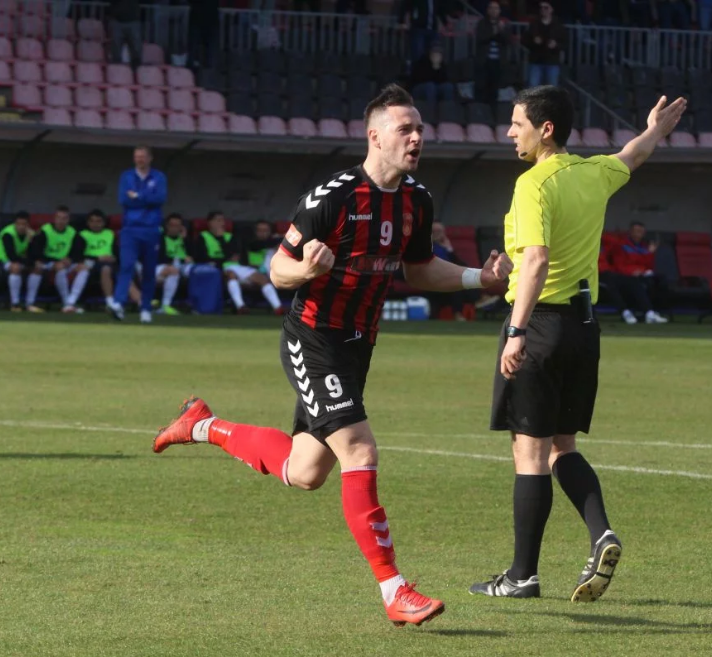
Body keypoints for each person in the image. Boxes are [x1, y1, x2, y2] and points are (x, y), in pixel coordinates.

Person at [152, 84, 512, 627]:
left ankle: (201, 425)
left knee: (304, 472)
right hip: (314, 338)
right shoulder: (333, 198)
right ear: (375, 137)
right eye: (405, 129)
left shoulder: (417, 199)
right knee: (360, 450)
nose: (417, 138)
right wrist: (305, 269)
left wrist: (476, 278)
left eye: (419, 129)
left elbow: (418, 269)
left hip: (359, 345)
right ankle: (394, 589)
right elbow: (278, 270)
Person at [470, 87, 685, 601]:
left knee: (528, 451)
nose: (509, 132)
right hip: (582, 329)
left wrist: (516, 331)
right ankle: (601, 532)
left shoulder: (532, 184)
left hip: (539, 326)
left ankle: (522, 576)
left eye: (517, 123)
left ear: (545, 129)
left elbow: (538, 260)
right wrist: (654, 131)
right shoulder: (593, 172)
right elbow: (632, 155)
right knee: (561, 446)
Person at [107, 145, 168, 324]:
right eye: (136, 157)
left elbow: (160, 199)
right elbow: (124, 200)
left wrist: (138, 196)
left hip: (151, 229)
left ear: (150, 158)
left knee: (149, 271)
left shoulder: (158, 177)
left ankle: (146, 308)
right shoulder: (126, 176)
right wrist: (145, 198)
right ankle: (119, 303)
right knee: (126, 266)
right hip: (130, 229)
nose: (139, 160)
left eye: (142, 157)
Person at [26, 206, 85, 313]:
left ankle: (71, 302)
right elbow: (36, 250)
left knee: (84, 268)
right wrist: (52, 261)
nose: (61, 221)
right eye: (59, 218)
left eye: (64, 218)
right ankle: (29, 303)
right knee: (47, 268)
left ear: (68, 220)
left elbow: (79, 250)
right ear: (54, 218)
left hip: (64, 262)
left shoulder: (72, 232)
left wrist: (70, 259)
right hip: (47, 261)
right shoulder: (45, 230)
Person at [609, 222, 669, 324]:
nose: (638, 234)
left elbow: (648, 265)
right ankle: (649, 312)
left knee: (661, 280)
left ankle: (654, 311)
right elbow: (619, 265)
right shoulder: (621, 245)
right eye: (636, 231)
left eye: (641, 232)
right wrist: (633, 272)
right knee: (635, 282)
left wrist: (650, 253)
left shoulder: (644, 247)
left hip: (642, 274)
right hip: (625, 276)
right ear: (630, 232)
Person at [222, 220, 285, 315]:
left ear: (270, 232)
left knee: (262, 278)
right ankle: (241, 307)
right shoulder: (250, 241)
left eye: (265, 230)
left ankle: (278, 308)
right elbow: (256, 246)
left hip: (255, 273)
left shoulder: (271, 247)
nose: (262, 233)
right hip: (239, 270)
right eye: (260, 230)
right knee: (231, 274)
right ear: (255, 232)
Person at [0, 211, 33, 312]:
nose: (21, 227)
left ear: (28, 225)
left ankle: (30, 303)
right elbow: (12, 256)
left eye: (24, 224)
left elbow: (33, 253)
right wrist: (29, 262)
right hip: (1, 261)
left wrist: (31, 241)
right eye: (19, 224)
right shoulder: (8, 233)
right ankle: (15, 303)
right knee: (15, 268)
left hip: (20, 260)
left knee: (37, 268)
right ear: (15, 224)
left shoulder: (31, 234)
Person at [155, 213, 194, 315]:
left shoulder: (184, 239)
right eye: (172, 225)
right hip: (163, 265)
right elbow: (160, 258)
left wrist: (185, 239)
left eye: (178, 226)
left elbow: (194, 255)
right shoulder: (160, 238)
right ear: (167, 226)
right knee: (173, 270)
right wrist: (180, 259)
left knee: (197, 272)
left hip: (183, 266)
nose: (175, 228)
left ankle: (195, 305)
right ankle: (165, 306)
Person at [524, 2, 566, 88]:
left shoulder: (559, 25)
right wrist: (533, 41)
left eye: (546, 7)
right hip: (536, 60)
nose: (543, 10)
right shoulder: (534, 24)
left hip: (552, 61)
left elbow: (565, 43)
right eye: (541, 7)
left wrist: (556, 45)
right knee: (532, 86)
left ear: (551, 9)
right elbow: (524, 40)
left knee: (551, 88)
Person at [476, 1, 509, 106]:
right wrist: (494, 33)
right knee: (482, 87)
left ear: (499, 11)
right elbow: (481, 39)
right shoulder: (482, 23)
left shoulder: (503, 24)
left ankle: (493, 110)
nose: (494, 10)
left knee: (495, 89)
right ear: (488, 10)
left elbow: (507, 41)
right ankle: (481, 110)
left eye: (496, 8)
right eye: (491, 8)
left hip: (498, 61)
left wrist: (501, 31)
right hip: (484, 61)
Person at [109, 0, 142, 69]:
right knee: (116, 49)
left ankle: (136, 70)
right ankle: (116, 70)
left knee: (136, 48)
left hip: (133, 20)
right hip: (117, 20)